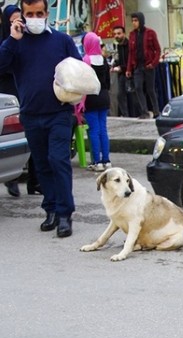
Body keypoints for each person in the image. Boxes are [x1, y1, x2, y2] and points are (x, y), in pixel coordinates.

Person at [0, 0, 81, 237]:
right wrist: (11, 40)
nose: (35, 17)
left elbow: (79, 71)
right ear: (22, 16)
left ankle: (65, 214)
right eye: (29, 13)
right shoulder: (16, 43)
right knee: (42, 165)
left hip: (59, 113)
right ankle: (51, 209)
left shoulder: (62, 41)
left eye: (39, 13)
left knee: (58, 161)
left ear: (47, 14)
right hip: (31, 114)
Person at [1, 4, 40, 197]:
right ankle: (12, 179)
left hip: (24, 92)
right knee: (13, 137)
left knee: (32, 137)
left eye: (20, 19)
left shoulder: (28, 40)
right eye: (12, 21)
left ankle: (35, 180)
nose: (17, 24)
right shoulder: (6, 43)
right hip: (8, 95)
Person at [76, 32, 111, 172]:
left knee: (94, 130)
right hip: (104, 97)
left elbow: (82, 82)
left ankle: (97, 161)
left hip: (90, 98)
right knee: (103, 129)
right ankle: (107, 160)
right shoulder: (104, 60)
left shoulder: (86, 60)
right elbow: (108, 83)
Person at [126, 12, 161, 119]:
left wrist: (153, 63)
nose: (134, 23)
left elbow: (158, 50)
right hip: (137, 66)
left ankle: (156, 111)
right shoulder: (132, 35)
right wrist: (129, 69)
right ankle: (144, 111)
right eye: (132, 21)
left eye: (136, 20)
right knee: (138, 88)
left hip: (148, 65)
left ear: (141, 20)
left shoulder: (150, 33)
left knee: (150, 89)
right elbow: (131, 53)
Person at [111, 25, 131, 117]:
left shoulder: (129, 45)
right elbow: (119, 59)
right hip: (121, 74)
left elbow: (130, 60)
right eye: (115, 34)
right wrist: (114, 66)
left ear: (124, 34)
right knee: (120, 95)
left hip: (130, 73)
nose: (116, 36)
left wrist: (121, 68)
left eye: (119, 33)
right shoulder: (118, 46)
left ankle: (133, 115)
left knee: (132, 96)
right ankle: (126, 115)